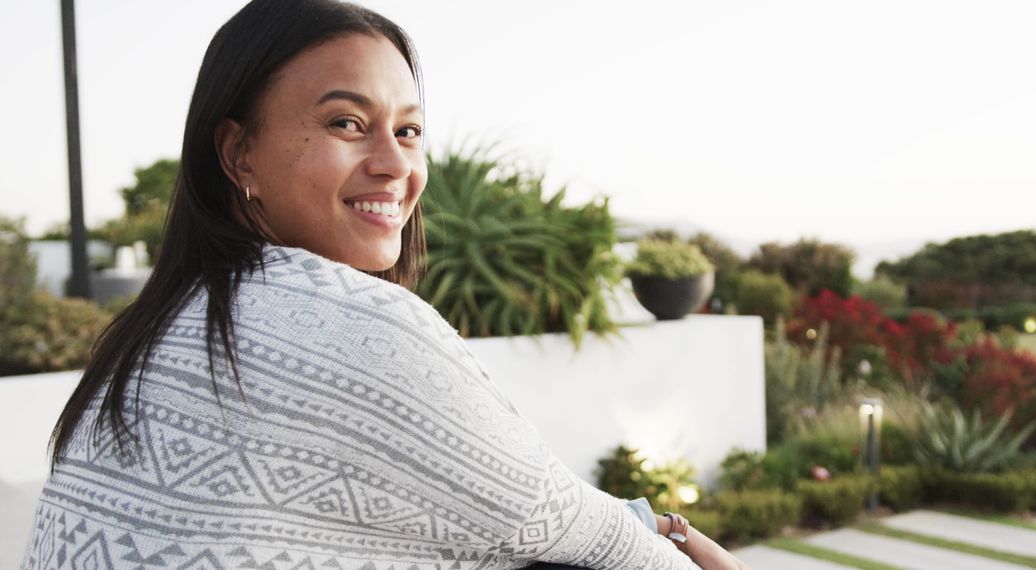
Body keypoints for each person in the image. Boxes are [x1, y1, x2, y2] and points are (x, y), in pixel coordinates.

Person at [21, 1, 749, 569]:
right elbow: (571, 527)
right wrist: (673, 540)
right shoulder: (353, 325)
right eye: (347, 122)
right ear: (238, 152)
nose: (395, 165)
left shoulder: (154, 331)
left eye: (408, 132)